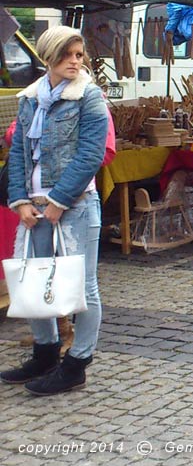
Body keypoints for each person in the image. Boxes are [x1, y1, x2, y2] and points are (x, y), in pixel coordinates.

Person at [2, 26, 109, 395]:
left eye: (79, 55)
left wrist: (59, 201)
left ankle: (77, 362)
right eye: (68, 55)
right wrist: (20, 201)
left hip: (76, 205)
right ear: (49, 56)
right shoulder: (30, 98)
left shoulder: (89, 96)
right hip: (34, 206)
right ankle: (45, 352)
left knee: (84, 286)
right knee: (34, 278)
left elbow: (91, 154)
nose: (75, 62)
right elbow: (19, 152)